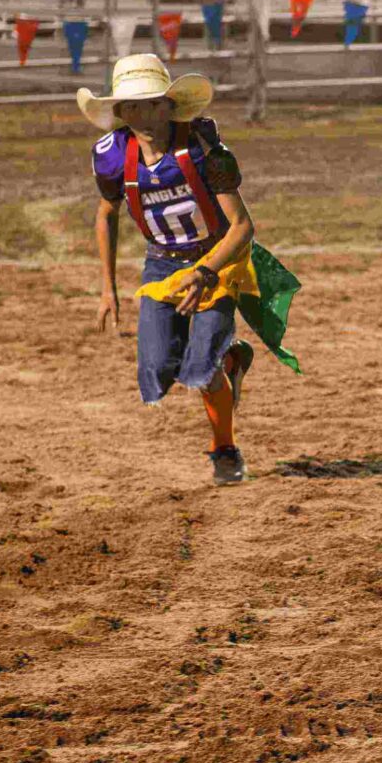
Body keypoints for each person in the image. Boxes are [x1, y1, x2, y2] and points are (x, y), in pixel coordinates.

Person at [81, 53, 261, 486]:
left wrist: (208, 272)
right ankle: (229, 358)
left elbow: (242, 227)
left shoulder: (204, 151)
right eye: (132, 106)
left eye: (153, 103)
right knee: (156, 374)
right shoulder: (111, 157)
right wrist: (108, 288)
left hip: (214, 260)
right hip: (161, 263)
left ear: (170, 105)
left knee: (199, 371)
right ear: (120, 112)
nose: (144, 115)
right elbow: (106, 213)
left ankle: (225, 449)